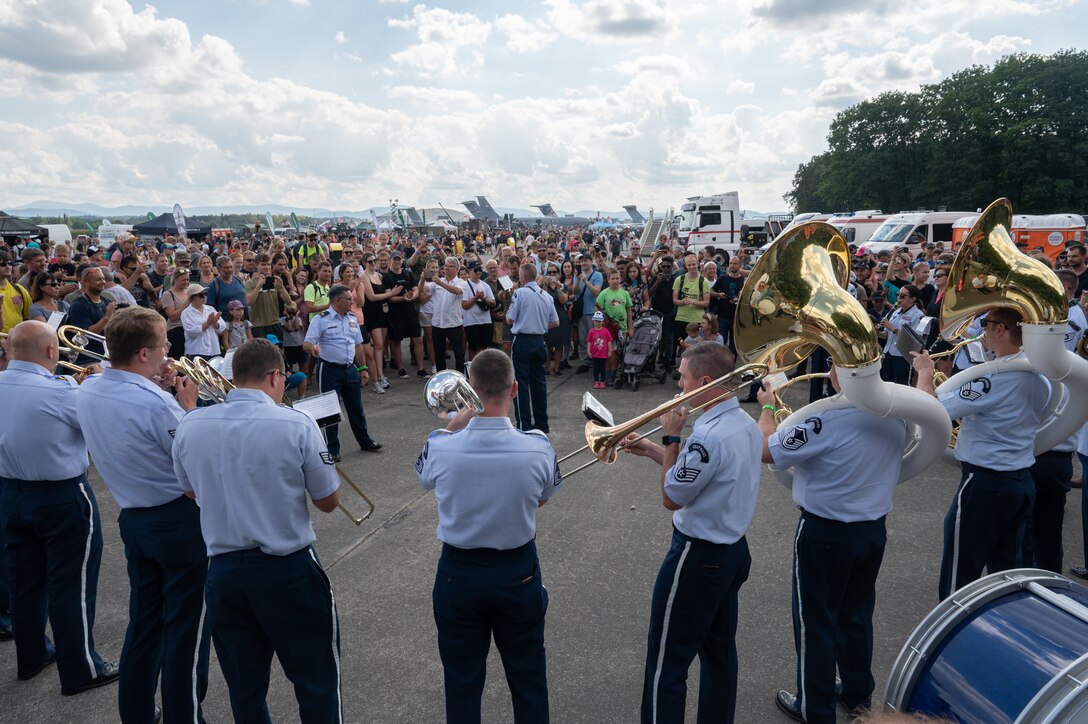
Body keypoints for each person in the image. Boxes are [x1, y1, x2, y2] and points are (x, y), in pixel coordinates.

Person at [171, 338, 343, 722]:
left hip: (225, 573)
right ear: (274, 376)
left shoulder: (191, 424)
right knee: (316, 680)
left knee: (245, 689)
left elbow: (189, 490)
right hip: (288, 569)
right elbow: (328, 501)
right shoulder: (296, 422)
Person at [76, 306, 211, 723]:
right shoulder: (156, 403)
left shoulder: (89, 388)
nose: (169, 349)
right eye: (163, 344)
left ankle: (136, 713)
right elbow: (197, 462)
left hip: (134, 517)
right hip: (177, 521)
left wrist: (164, 389)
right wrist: (187, 405)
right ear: (142, 354)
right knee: (187, 631)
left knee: (145, 624)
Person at [416, 349, 563, 724]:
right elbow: (542, 498)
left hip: (458, 572)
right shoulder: (538, 445)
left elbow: (422, 476)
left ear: (470, 390)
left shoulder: (442, 446)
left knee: (462, 683)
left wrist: (450, 427)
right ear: (514, 389)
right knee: (528, 679)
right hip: (517, 571)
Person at [756, 365, 908, 723]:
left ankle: (815, 707)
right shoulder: (897, 410)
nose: (826, 373)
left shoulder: (827, 417)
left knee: (817, 622)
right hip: (871, 530)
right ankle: (857, 696)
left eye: (833, 366)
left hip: (825, 533)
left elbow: (766, 451)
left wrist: (766, 407)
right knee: (855, 616)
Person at [622, 342, 761, 724]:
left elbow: (672, 497)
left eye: (682, 378)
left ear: (704, 382)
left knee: (667, 660)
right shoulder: (744, 424)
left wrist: (670, 439)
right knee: (719, 656)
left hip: (697, 557)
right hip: (731, 551)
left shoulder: (706, 436)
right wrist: (654, 449)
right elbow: (703, 479)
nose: (678, 386)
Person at [0, 321, 118, 693]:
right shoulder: (59, 390)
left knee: (25, 581)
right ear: (52, 352)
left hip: (10, 494)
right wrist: (96, 380)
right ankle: (81, 668)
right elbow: (101, 427)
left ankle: (32, 655)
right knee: (71, 583)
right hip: (60, 496)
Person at [912, 307, 1050, 599]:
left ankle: (951, 640)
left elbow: (930, 410)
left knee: (959, 577)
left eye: (986, 325)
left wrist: (925, 373)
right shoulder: (1039, 374)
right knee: (1008, 575)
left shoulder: (995, 379)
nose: (981, 331)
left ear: (1000, 329)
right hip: (1020, 481)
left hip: (985, 486)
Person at [303, 283, 382, 461]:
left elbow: (358, 346)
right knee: (330, 411)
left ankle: (365, 440)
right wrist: (313, 348)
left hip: (349, 369)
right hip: (329, 369)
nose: (352, 302)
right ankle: (332, 448)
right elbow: (307, 343)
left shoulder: (352, 318)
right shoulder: (321, 319)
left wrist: (362, 368)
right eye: (349, 299)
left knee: (356, 407)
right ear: (337, 300)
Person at [505, 262, 559, 433]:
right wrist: (539, 324)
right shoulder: (546, 295)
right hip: (539, 340)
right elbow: (555, 322)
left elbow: (510, 319)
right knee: (539, 384)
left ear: (523, 277)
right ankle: (542, 423)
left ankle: (524, 425)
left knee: (520, 384)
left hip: (523, 340)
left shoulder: (520, 293)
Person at [65, 266, 117, 364]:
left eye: (103, 279)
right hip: (88, 359)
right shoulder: (78, 305)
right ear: (85, 282)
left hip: (108, 356)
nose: (103, 282)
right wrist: (106, 317)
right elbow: (84, 336)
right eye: (98, 279)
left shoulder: (106, 301)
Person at [430, 257, 471, 374]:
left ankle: (460, 376)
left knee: (458, 353)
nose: (446, 268)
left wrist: (441, 283)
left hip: (453, 323)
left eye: (450, 266)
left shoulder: (461, 282)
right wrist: (423, 280)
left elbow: (457, 291)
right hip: (438, 323)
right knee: (439, 353)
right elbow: (425, 290)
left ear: (456, 269)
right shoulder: (438, 281)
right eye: (445, 266)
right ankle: (441, 376)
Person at [879, 284, 925, 385]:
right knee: (886, 383)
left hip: (903, 356)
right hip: (888, 353)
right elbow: (887, 335)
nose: (898, 298)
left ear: (913, 299)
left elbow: (915, 340)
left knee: (902, 385)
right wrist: (876, 332)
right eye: (898, 294)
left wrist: (892, 328)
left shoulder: (918, 315)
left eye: (902, 296)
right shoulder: (896, 312)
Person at [181, 283, 226, 359]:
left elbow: (222, 327)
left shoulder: (210, 309)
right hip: (196, 352)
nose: (204, 297)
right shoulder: (186, 313)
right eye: (201, 295)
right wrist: (208, 323)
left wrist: (215, 323)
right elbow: (191, 332)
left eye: (205, 294)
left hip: (214, 350)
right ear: (192, 298)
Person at [462, 261, 496, 360]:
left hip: (485, 321)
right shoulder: (464, 285)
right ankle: (472, 369)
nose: (478, 272)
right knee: (473, 348)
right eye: (475, 270)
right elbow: (464, 305)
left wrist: (483, 299)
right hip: (471, 322)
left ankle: (484, 369)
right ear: (469, 271)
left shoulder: (485, 285)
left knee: (485, 348)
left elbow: (493, 303)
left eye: (480, 270)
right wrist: (476, 298)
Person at [1, 248, 33, 333]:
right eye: (3, 264)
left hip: (18, 340)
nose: (8, 267)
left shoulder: (19, 289)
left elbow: (28, 318)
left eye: (9, 263)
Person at [586, 311, 612, 389]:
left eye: (599, 321)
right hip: (595, 354)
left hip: (603, 354)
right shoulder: (591, 331)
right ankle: (596, 381)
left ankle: (603, 381)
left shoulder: (606, 331)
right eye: (596, 321)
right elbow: (589, 342)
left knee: (603, 368)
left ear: (602, 321)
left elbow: (609, 342)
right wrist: (588, 351)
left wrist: (610, 351)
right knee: (596, 369)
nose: (597, 323)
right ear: (593, 321)